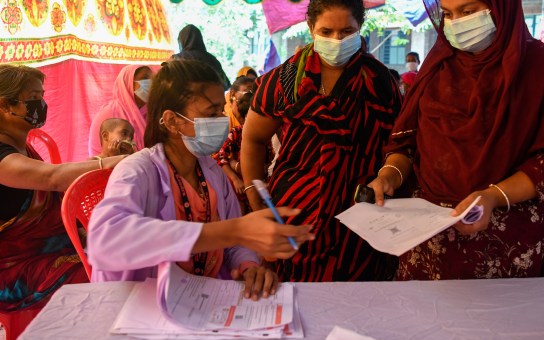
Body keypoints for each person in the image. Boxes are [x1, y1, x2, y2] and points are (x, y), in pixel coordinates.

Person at [369, 0, 544, 280]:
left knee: (498, 327)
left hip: (505, 237)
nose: (456, 23)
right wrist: (389, 174)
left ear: (501, 4)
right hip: (427, 239)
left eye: (468, 11)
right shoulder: (437, 68)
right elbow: (407, 143)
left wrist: (494, 196)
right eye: (447, 13)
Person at [87, 60, 314, 300]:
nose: (221, 120)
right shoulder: (137, 171)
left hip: (205, 299)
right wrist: (233, 231)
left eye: (221, 112)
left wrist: (249, 266)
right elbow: (105, 241)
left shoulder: (211, 171)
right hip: (143, 305)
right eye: (211, 113)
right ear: (173, 121)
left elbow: (235, 243)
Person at [241, 0, 402, 282]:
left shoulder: (379, 81)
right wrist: (254, 194)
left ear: (360, 27)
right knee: (296, 300)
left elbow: (398, 144)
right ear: (311, 26)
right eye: (327, 32)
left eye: (347, 32)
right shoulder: (285, 80)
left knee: (357, 304)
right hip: (293, 213)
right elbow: (252, 138)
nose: (337, 40)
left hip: (359, 219)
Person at [0, 65, 126, 312]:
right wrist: (112, 162)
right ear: (5, 106)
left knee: (122, 249)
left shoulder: (22, 148)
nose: (41, 105)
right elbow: (52, 177)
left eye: (42, 97)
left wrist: (101, 162)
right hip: (13, 267)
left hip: (44, 250)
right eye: (33, 99)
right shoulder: (3, 157)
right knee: (101, 274)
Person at [216, 89, 273, 215]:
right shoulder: (236, 133)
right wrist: (236, 179)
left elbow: (269, 161)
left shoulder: (265, 134)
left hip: (261, 187)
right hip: (241, 190)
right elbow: (221, 156)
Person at [88, 64, 152, 157]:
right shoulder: (108, 114)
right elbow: (96, 152)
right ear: (128, 83)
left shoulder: (152, 113)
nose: (151, 82)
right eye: (145, 78)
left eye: (152, 78)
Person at [172, 24, 231, 89]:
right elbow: (225, 85)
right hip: (210, 98)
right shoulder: (212, 60)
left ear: (181, 41)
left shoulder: (175, 60)